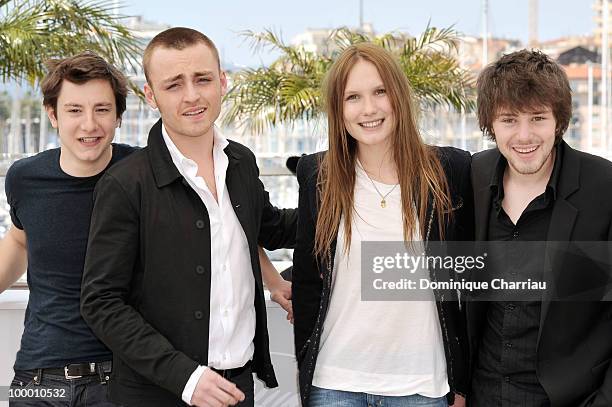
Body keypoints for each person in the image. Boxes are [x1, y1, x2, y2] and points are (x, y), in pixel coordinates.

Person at [80, 27, 297, 407]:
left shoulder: (241, 162)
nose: (192, 95)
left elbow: (272, 228)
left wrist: (343, 198)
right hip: (158, 393)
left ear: (223, 81)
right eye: (174, 84)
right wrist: (186, 377)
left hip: (238, 387)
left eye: (203, 79)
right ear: (151, 95)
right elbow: (101, 302)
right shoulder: (126, 183)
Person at [292, 42, 473, 407]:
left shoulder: (449, 170)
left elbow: (468, 283)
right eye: (352, 97)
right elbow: (309, 281)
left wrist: (463, 383)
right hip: (334, 383)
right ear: (338, 109)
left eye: (379, 92)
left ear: (399, 98)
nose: (369, 108)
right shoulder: (318, 175)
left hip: (423, 386)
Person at [468, 49, 612, 407]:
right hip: (482, 394)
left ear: (559, 121)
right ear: (490, 124)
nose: (524, 135)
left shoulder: (604, 187)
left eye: (537, 118)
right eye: (508, 120)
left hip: (570, 398)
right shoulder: (473, 175)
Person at [0, 52, 133, 406]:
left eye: (102, 109)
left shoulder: (143, 172)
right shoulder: (25, 178)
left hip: (119, 379)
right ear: (53, 114)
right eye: (75, 110)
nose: (89, 125)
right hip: (38, 381)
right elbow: (20, 242)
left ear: (118, 116)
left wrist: (272, 283)